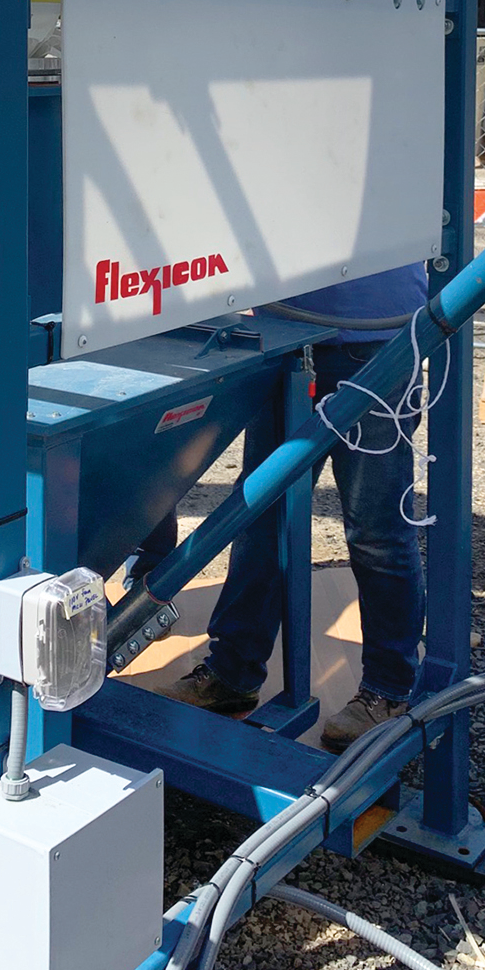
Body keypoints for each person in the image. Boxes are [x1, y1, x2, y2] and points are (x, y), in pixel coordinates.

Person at [166, 263, 429, 752]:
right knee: (262, 515)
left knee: (377, 531)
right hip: (287, 337)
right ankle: (233, 670)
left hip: (379, 342)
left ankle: (389, 691)